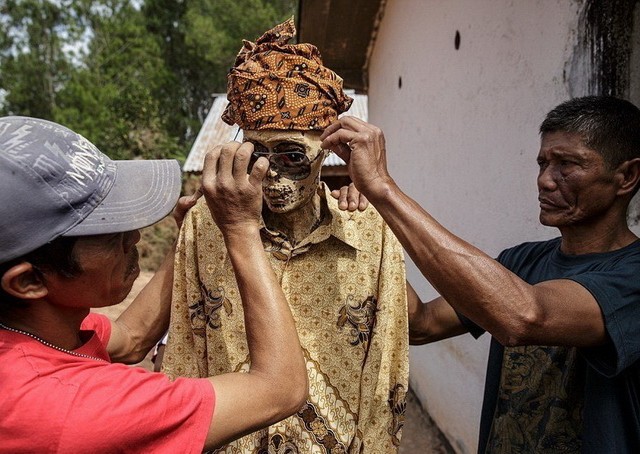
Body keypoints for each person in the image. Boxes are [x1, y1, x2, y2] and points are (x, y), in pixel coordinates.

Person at [320, 95, 640, 453]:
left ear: (626, 176)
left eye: (567, 164)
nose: (545, 181)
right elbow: (422, 323)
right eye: (542, 163)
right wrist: (361, 232)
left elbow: (525, 316)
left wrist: (383, 189)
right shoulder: (521, 262)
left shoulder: (632, 275)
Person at [161, 18, 409, 453]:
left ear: (325, 151)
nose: (268, 173)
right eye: (255, 154)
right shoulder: (207, 222)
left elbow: (387, 355)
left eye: (291, 155)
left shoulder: (370, 228)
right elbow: (184, 341)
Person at [0, 116, 309, 452]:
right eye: (108, 235)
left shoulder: (33, 329)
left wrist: (185, 240)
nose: (134, 237)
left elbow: (131, 339)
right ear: (28, 281)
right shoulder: (77, 407)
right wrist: (240, 228)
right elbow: (280, 389)